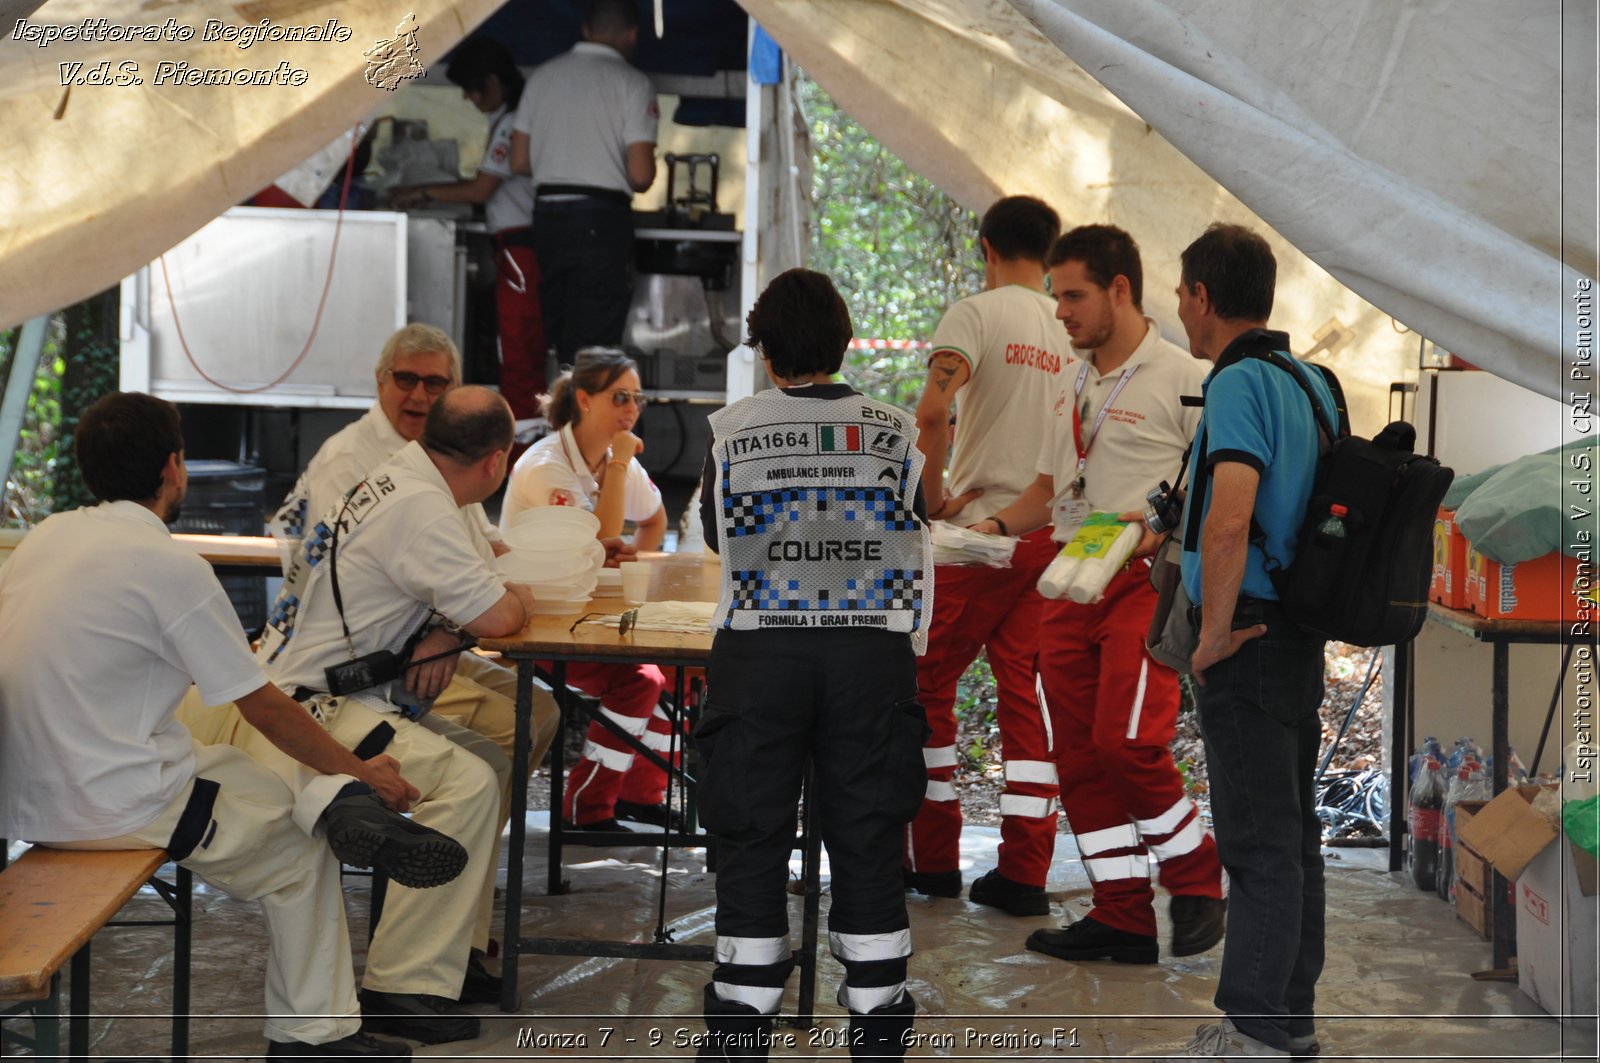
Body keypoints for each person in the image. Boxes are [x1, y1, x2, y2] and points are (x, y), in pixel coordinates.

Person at [0, 392, 432, 1061]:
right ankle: (312, 1037)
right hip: (116, 802)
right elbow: (260, 702)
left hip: (27, 796)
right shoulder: (172, 567)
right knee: (297, 847)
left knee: (238, 762)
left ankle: (333, 798)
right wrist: (357, 764)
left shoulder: (44, 540)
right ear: (174, 468)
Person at [694, 268, 931, 1061]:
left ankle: (740, 1029)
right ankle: (877, 1029)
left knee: (752, 834)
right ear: (844, 340)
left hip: (759, 655)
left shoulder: (733, 430)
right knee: (867, 837)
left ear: (765, 352)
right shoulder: (896, 430)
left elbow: (717, 539)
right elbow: (914, 531)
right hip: (871, 656)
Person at [251, 387, 537, 1044]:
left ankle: (449, 957)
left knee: (490, 761)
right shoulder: (424, 507)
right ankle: (401, 982)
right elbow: (496, 616)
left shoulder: (403, 476)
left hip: (323, 688)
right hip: (311, 709)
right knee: (467, 781)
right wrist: (516, 595)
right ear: (497, 461)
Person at [975, 225, 1225, 965]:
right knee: (1079, 757)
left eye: (1074, 295)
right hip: (1066, 579)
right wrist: (986, 524)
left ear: (1121, 288)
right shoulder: (1070, 379)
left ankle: (1195, 871)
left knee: (1128, 742)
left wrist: (1160, 532)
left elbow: (1210, 490)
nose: (1061, 311)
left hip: (1140, 584)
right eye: (1057, 296)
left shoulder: (1187, 379)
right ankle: (1122, 913)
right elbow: (1052, 491)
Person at [1164, 224, 1336, 1060]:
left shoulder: (1237, 385)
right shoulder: (1313, 382)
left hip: (1251, 637)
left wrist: (1215, 633)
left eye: (1180, 294)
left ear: (1201, 296)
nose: (1180, 309)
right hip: (1298, 632)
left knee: (1259, 844)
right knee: (1294, 835)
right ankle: (1289, 1020)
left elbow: (1230, 517)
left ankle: (1255, 1031)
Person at [269, 323, 559, 819]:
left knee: (542, 711)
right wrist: (469, 615)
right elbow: (484, 608)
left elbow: (480, 555)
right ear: (380, 382)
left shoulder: (428, 463)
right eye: (406, 380)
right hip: (341, 678)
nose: (419, 395)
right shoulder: (354, 461)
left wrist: (449, 627)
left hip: (396, 650)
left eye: (434, 384)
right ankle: (440, 845)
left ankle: (466, 849)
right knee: (500, 748)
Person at [904, 195, 1071, 915]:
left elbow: (933, 410)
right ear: (1051, 253)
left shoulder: (975, 314)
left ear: (985, 247)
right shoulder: (1071, 327)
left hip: (973, 540)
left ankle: (934, 860)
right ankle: (1026, 873)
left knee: (924, 689)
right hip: (1042, 537)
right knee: (1027, 702)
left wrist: (930, 494)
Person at [501, 348, 678, 831]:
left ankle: (641, 795)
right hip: (537, 619)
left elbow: (653, 520)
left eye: (638, 398)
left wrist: (622, 567)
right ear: (583, 398)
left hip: (592, 613)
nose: (631, 409)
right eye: (620, 397)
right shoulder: (546, 466)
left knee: (680, 671)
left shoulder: (609, 458)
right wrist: (620, 467)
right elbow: (599, 536)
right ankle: (586, 807)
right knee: (640, 680)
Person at [391, 38, 546, 423]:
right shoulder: (510, 120)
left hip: (521, 248)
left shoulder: (513, 124)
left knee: (518, 354)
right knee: (515, 353)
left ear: (492, 83)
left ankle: (519, 454)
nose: (465, 99)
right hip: (514, 247)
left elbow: (482, 188)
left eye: (470, 90)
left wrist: (422, 191)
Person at [510, 0, 659, 360]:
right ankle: (586, 413)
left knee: (558, 332)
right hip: (600, 221)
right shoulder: (634, 84)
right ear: (633, 34)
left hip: (546, 218)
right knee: (594, 344)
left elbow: (519, 161)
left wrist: (562, 161)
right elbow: (640, 175)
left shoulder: (542, 76)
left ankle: (562, 410)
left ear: (586, 29)